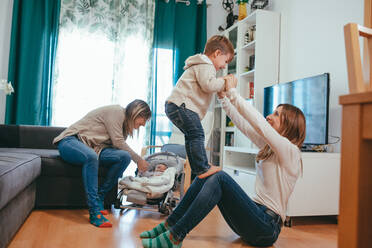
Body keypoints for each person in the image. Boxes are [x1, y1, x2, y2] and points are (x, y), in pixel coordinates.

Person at [140, 76, 306, 247]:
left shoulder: (291, 151)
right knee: (206, 175)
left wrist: (233, 93)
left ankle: (175, 237)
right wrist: (223, 98)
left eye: (277, 114)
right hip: (253, 217)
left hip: (266, 228)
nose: (270, 116)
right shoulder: (270, 147)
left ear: (290, 124)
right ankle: (169, 225)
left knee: (219, 177)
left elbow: (258, 123)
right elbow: (243, 125)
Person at [53, 100, 151, 228]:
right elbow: (118, 142)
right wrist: (138, 159)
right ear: (135, 113)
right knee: (91, 157)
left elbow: (118, 149)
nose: (143, 124)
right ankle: (94, 211)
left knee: (124, 157)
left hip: (94, 148)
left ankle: (100, 196)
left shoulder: (125, 128)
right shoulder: (117, 112)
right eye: (143, 119)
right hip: (70, 141)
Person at [165, 35, 235, 179]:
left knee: (191, 136)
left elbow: (208, 84)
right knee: (197, 134)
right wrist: (226, 82)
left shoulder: (201, 65)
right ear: (217, 54)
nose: (224, 66)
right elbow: (208, 85)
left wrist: (220, 81)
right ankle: (202, 168)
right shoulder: (206, 64)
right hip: (182, 105)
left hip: (176, 105)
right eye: (225, 61)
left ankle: (198, 168)